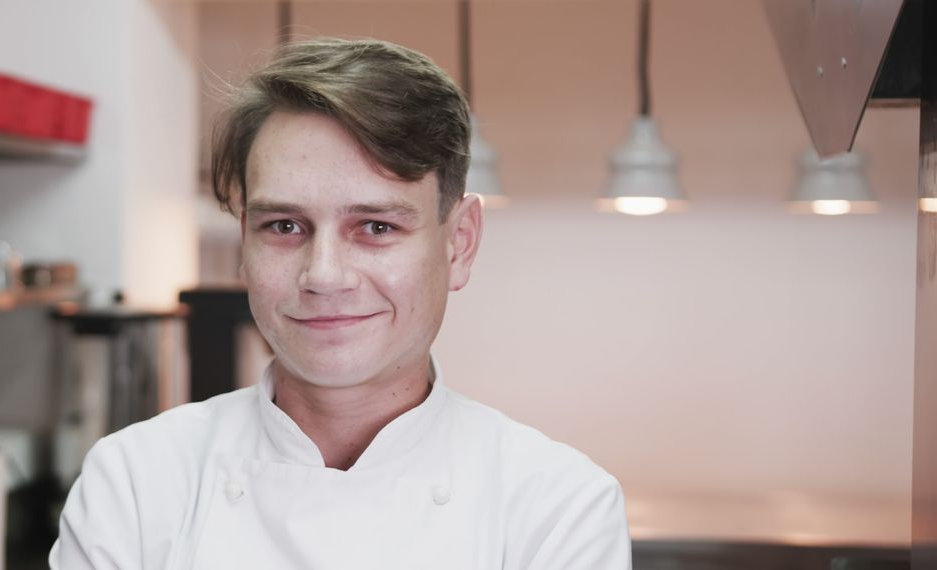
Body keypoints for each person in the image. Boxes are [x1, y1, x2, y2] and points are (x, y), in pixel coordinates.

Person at [50, 37, 631, 569]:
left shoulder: (556, 508)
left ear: (460, 244)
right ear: (244, 248)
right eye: (283, 225)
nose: (323, 275)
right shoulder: (137, 482)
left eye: (376, 227)